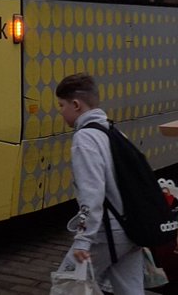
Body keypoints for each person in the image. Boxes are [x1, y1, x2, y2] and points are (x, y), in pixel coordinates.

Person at [54, 73, 144, 295]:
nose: (60, 110)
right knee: (130, 290)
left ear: (76, 105)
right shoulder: (112, 130)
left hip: (107, 232)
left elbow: (91, 194)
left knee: (67, 287)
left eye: (61, 105)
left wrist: (83, 240)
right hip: (132, 227)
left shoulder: (84, 139)